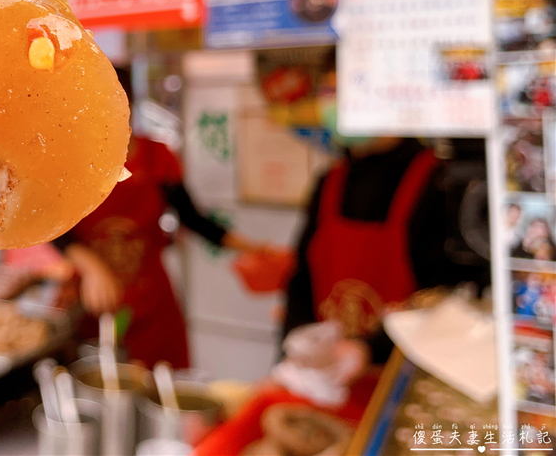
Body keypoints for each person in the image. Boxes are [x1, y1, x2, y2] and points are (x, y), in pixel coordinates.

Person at [54, 66, 259, 369]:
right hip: (91, 299)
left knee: (160, 382)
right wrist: (91, 266)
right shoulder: (67, 162)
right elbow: (54, 231)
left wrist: (252, 248)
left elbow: (192, 218)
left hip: (151, 301)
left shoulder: (157, 156)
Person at [281, 55, 477, 364]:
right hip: (331, 374)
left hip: (405, 374)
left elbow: (452, 298)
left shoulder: (439, 183)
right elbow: (301, 278)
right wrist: (297, 338)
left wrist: (369, 350)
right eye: (328, 91)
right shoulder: (331, 181)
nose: (333, 103)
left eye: (345, 91)